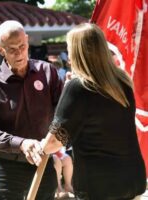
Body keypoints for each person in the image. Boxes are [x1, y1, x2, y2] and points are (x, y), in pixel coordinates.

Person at [40, 23, 147, 199]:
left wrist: (39, 147)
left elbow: (54, 142)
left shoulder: (78, 88)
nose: (68, 58)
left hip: (100, 186)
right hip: (131, 179)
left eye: (70, 51)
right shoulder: (122, 81)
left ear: (78, 53)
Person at [0, 20, 63, 199]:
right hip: (8, 166)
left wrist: (56, 140)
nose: (19, 53)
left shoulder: (47, 71)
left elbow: (64, 115)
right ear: (0, 49)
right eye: (11, 49)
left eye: (22, 46)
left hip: (43, 160)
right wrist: (22, 143)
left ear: (27, 40)